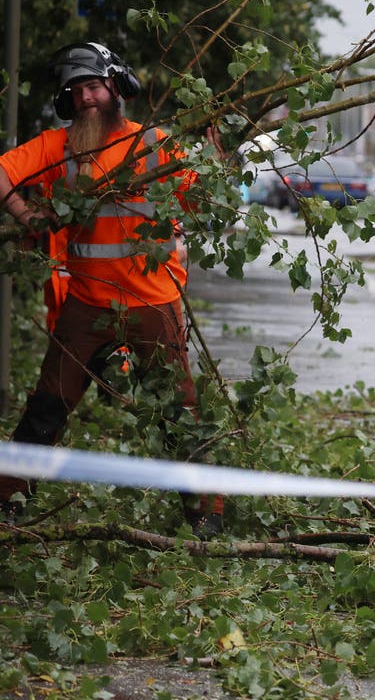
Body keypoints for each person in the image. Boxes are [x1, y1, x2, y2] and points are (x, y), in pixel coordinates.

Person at [0, 42, 226, 538]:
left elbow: (203, 199)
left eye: (95, 87)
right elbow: (2, 171)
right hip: (87, 303)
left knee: (179, 411)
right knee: (46, 407)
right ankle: (8, 500)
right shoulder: (57, 148)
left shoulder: (155, 144)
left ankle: (206, 514)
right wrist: (26, 214)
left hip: (153, 301)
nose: (86, 99)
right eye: (77, 91)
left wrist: (213, 159)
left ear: (117, 87)